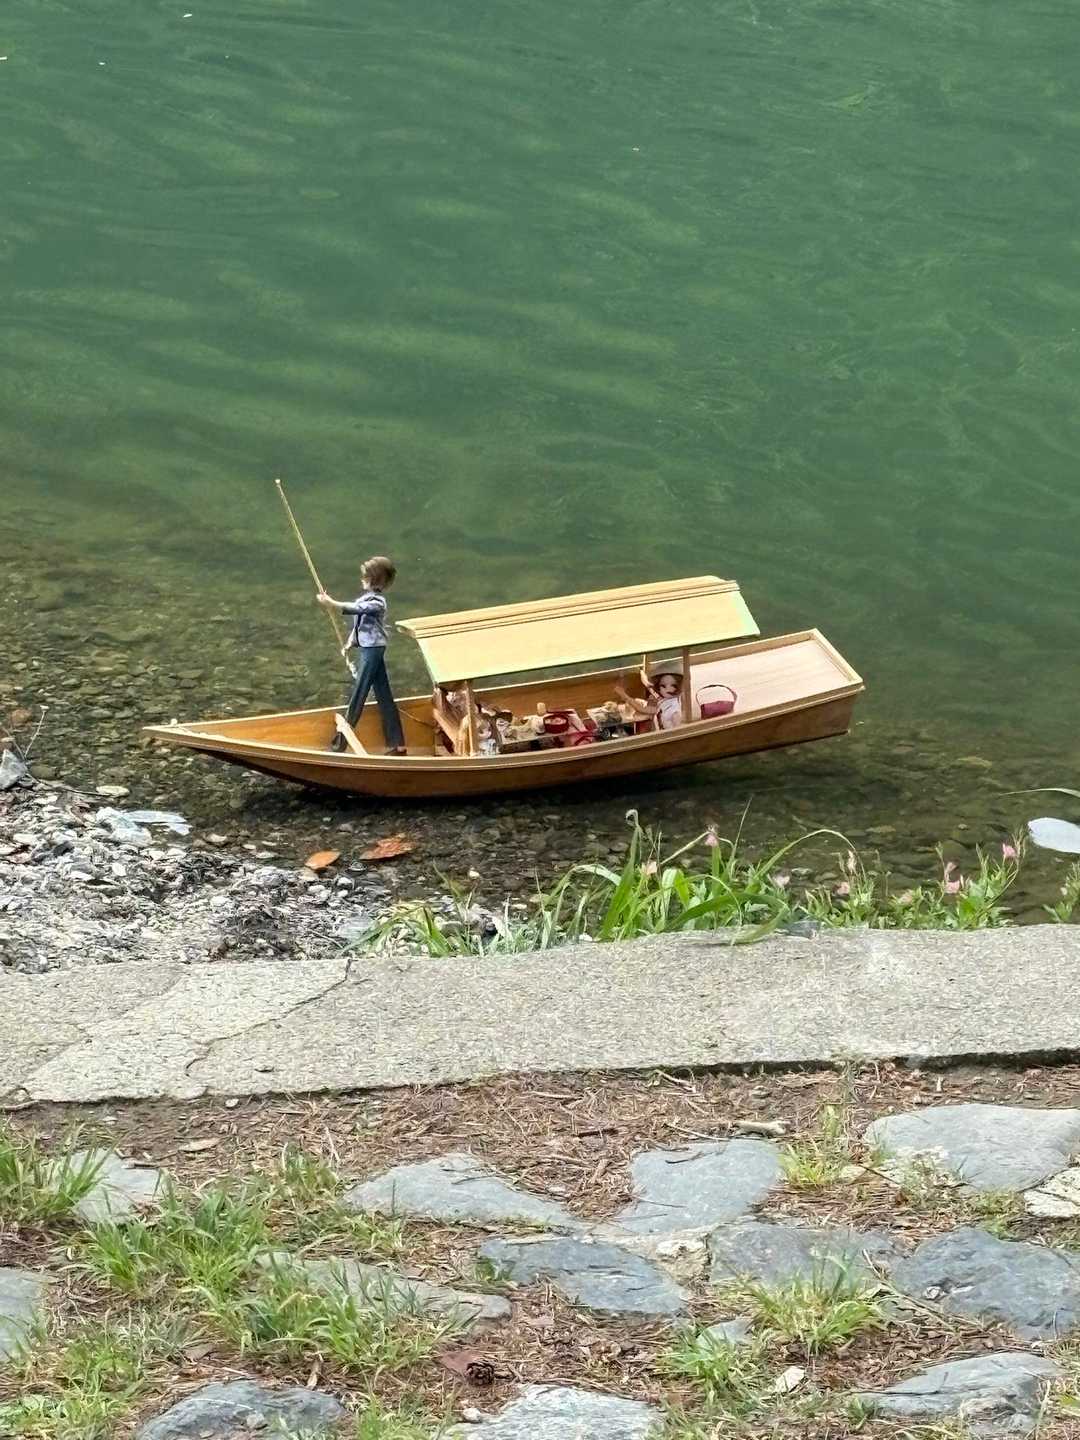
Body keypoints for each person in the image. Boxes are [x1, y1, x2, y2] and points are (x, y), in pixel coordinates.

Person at [317, 556, 406, 755]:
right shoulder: (366, 599)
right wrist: (350, 643)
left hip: (372, 650)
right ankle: (398, 744)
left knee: (359, 693)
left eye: (365, 576)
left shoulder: (377, 603)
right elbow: (360, 624)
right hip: (369, 648)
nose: (362, 579)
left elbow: (356, 609)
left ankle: (339, 744)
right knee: (384, 695)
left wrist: (331, 603)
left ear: (373, 580)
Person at [615, 667, 685, 731]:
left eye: (673, 685)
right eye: (663, 686)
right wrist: (642, 673)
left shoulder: (674, 710)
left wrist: (625, 696)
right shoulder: (663, 702)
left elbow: (679, 730)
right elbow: (642, 706)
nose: (668, 689)